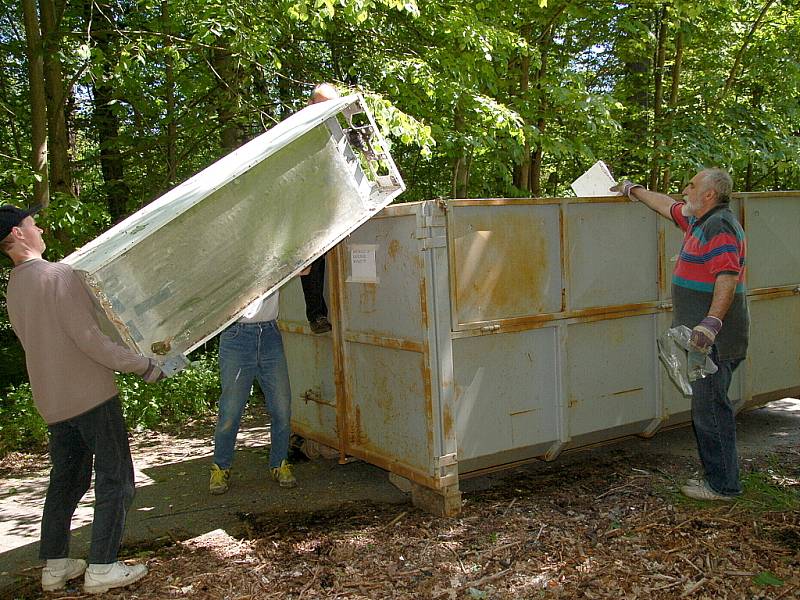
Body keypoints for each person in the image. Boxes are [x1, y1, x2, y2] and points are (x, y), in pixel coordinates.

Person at [1, 204, 164, 594]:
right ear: (18, 234)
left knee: (67, 480)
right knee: (116, 479)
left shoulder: (15, 285)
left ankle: (55, 566)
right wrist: (143, 365)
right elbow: (91, 341)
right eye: (32, 223)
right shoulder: (59, 275)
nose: (38, 226)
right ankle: (103, 567)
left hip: (52, 399)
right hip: (90, 395)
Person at [612, 169, 749, 501]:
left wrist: (711, 324)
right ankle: (719, 477)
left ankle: (723, 486)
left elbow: (727, 276)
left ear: (709, 196)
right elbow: (668, 206)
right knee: (709, 408)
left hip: (714, 341)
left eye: (692, 186)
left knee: (711, 411)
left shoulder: (719, 225)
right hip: (704, 339)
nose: (685, 190)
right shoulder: (699, 220)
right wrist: (633, 188)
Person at [208, 288, 296, 494]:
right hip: (236, 334)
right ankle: (220, 467)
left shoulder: (275, 256)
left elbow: (305, 268)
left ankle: (280, 463)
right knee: (231, 409)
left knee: (282, 406)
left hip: (270, 334)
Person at [301, 82, 340, 334]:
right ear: (310, 104)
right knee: (311, 258)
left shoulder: (337, 131)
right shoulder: (299, 130)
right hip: (305, 209)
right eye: (322, 104)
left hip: (336, 206)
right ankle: (317, 316)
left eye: (331, 106)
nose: (327, 110)